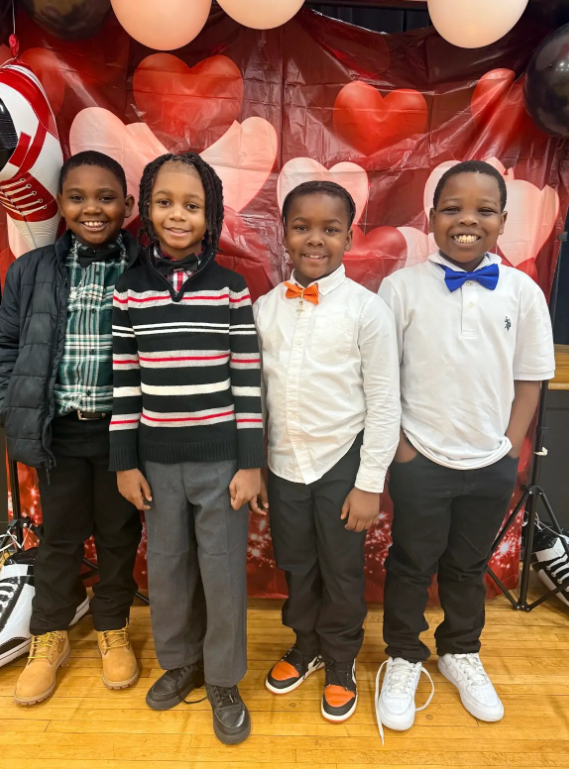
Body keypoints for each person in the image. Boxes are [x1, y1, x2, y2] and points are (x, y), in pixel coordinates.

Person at [376, 160, 555, 733]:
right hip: (419, 458)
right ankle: (404, 655)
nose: (466, 220)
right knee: (410, 563)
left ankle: (460, 650)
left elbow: (531, 376)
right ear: (431, 219)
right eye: (452, 208)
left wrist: (509, 447)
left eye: (483, 210)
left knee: (466, 564)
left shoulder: (523, 292)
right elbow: (382, 374)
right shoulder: (400, 287)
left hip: (490, 462)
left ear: (504, 220)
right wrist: (402, 448)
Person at [110, 152, 264, 745]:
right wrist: (125, 461)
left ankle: (223, 676)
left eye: (192, 205)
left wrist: (250, 462)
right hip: (154, 463)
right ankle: (181, 663)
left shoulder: (231, 288)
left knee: (222, 571)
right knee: (169, 568)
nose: (178, 215)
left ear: (211, 213)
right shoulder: (130, 291)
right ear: (145, 209)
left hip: (221, 461)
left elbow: (247, 379)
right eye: (165, 202)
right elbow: (124, 377)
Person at [251, 180, 400, 723]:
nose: (316, 240)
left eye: (330, 229)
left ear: (349, 236)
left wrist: (369, 483)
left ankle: (340, 658)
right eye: (302, 227)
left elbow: (385, 401)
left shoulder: (367, 311)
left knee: (340, 568)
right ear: (283, 233)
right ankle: (306, 643)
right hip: (285, 464)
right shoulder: (266, 308)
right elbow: (256, 398)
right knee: (296, 561)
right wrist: (257, 463)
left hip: (343, 462)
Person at [0, 151, 143, 705]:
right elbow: (9, 346)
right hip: (58, 432)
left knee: (118, 534)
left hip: (122, 435)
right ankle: (50, 634)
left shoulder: (144, 268)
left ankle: (112, 627)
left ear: (128, 206)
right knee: (58, 539)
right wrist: (16, 407)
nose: (92, 208)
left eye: (106, 197)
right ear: (60, 204)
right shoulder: (31, 271)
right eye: (78, 197)